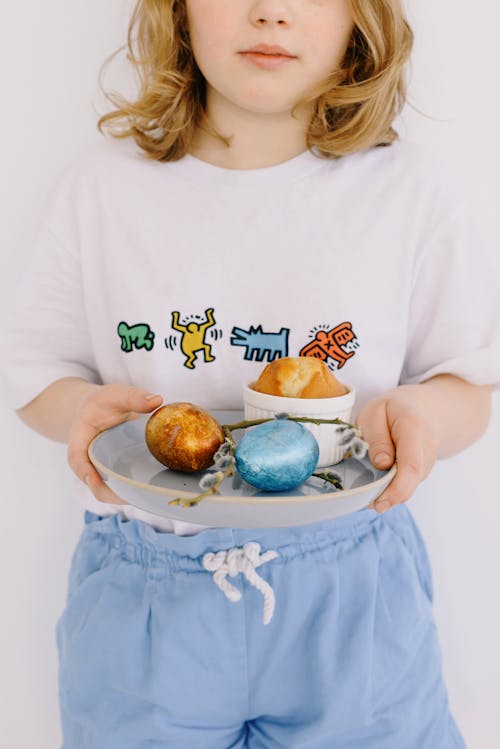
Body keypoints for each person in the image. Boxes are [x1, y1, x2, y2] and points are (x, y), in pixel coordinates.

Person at [1, 0, 498, 746]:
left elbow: (466, 383)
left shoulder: (409, 188)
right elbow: (34, 371)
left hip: (351, 598)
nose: (271, 12)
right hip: (146, 601)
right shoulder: (104, 185)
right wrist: (79, 409)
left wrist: (421, 414)